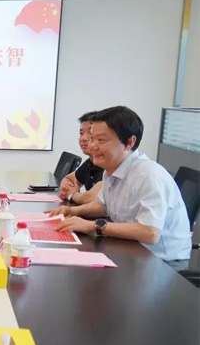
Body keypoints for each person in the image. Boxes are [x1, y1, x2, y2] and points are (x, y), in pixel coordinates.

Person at [48, 106, 191, 261]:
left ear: (129, 142)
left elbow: (150, 233)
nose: (92, 146)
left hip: (163, 262)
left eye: (101, 140)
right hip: (131, 250)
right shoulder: (111, 169)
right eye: (92, 138)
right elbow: (103, 205)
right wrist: (72, 212)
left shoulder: (147, 175)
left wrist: (93, 225)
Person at [58, 111, 104, 204]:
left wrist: (72, 194)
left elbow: (90, 199)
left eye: (91, 132)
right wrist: (67, 187)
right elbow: (70, 178)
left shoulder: (108, 164)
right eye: (81, 133)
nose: (83, 138)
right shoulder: (90, 162)